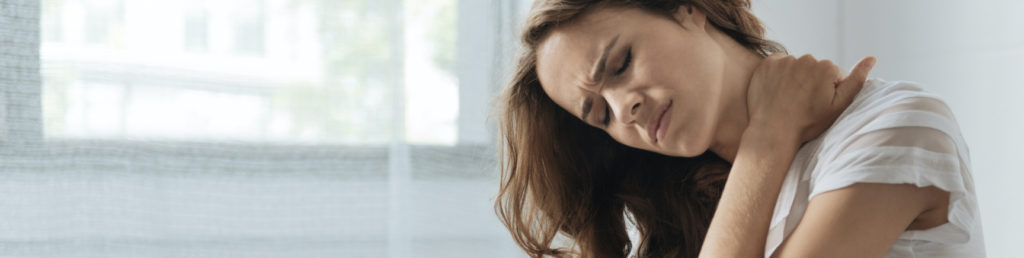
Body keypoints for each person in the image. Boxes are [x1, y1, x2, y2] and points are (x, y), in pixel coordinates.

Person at [493, 0, 985, 257]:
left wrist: (769, 136)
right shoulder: (697, 206)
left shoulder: (894, 126)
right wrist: (770, 132)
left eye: (620, 64)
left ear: (687, 9)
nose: (625, 110)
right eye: (600, 114)